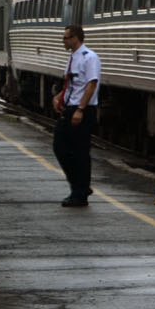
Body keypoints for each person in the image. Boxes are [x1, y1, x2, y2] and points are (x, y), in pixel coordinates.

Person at [52, 25, 100, 206]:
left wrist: (80, 109)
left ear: (76, 38)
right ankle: (80, 186)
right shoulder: (73, 57)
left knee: (80, 152)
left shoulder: (90, 58)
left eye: (66, 38)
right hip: (70, 108)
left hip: (83, 110)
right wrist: (57, 98)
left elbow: (91, 84)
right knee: (60, 147)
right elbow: (71, 85)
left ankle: (79, 193)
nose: (63, 41)